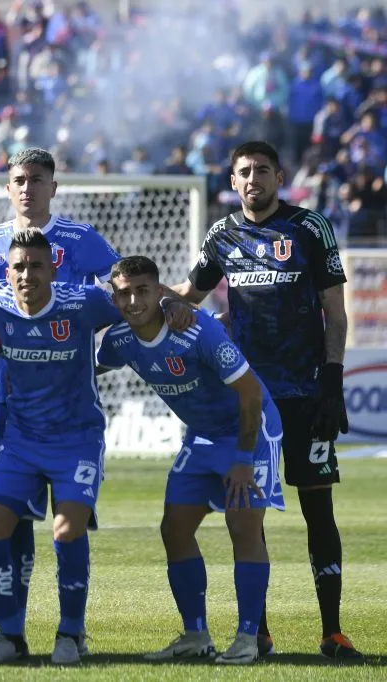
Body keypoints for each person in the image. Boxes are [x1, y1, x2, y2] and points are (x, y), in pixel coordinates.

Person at [171, 141, 361, 661]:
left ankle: (333, 632)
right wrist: (129, 298)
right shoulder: (223, 234)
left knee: (317, 511)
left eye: (261, 171)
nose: (253, 179)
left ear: (279, 175)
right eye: (243, 172)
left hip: (304, 397)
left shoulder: (310, 227)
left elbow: (334, 312)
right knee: (247, 518)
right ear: (233, 181)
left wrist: (333, 378)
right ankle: (260, 631)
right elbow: (190, 294)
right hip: (249, 401)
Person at [0, 147, 121, 649]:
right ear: (8, 188)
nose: (27, 187)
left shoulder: (79, 239)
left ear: (54, 186)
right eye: (19, 179)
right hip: (13, 398)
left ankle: (71, 632)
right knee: (8, 522)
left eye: (37, 179)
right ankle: (9, 630)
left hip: (70, 396)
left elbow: (123, 290)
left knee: (64, 525)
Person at [98, 255, 284, 665]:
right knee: (174, 529)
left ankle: (249, 639)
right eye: (123, 293)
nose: (133, 301)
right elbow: (86, 368)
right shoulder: (119, 340)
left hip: (249, 429)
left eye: (143, 291)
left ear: (159, 291)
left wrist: (242, 459)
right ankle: (196, 634)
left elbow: (251, 394)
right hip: (201, 437)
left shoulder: (198, 330)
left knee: (243, 528)